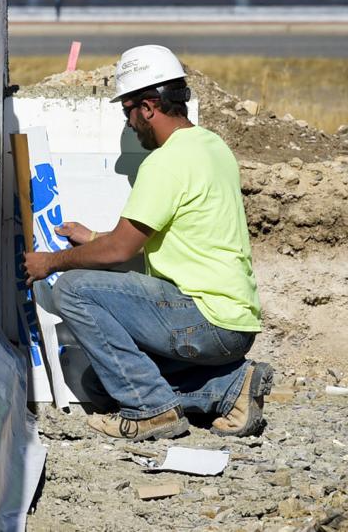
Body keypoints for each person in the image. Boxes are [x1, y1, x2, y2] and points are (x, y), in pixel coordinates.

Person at [24, 44, 271, 441]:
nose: (129, 123)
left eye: (128, 111)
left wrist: (51, 262)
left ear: (148, 107)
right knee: (100, 385)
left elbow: (121, 250)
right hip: (233, 326)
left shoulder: (166, 162)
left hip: (203, 318)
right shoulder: (211, 146)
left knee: (73, 288)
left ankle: (150, 413)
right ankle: (229, 388)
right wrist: (93, 239)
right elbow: (151, 234)